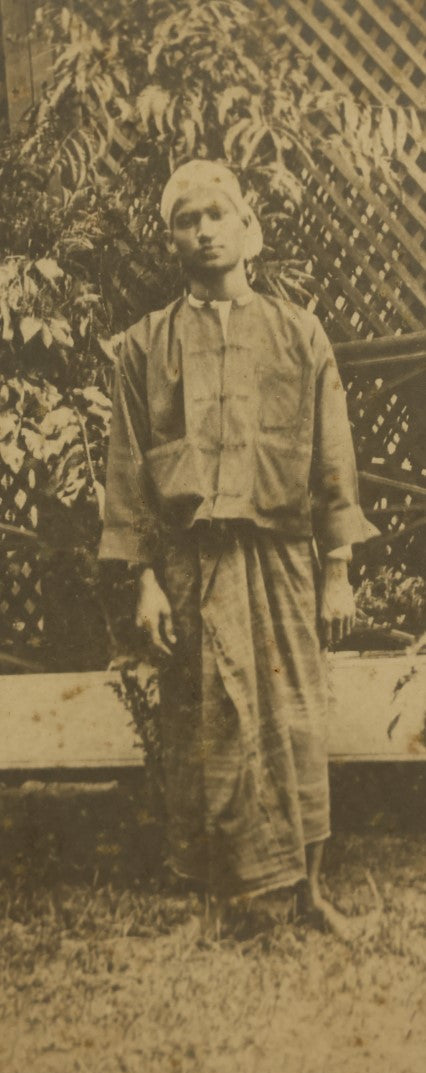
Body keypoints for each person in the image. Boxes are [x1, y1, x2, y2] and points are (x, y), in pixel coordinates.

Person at [99, 159, 376, 937]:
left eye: (218, 214)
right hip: (190, 566)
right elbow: (128, 471)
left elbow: (332, 458)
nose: (204, 230)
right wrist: (145, 579)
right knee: (205, 726)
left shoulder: (299, 333)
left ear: (249, 229)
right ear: (172, 239)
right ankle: (223, 905)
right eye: (187, 219)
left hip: (283, 561)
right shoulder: (145, 346)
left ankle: (310, 893)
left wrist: (338, 571)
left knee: (297, 721)